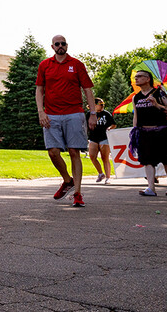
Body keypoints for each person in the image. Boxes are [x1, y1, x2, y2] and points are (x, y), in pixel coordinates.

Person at [35, 35, 97, 208]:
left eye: (63, 43)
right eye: (57, 44)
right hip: (51, 115)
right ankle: (67, 180)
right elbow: (39, 90)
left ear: (67, 45)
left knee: (74, 152)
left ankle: (77, 193)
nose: (60, 46)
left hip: (74, 114)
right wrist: (41, 112)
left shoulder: (76, 64)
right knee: (53, 152)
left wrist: (93, 113)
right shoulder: (45, 65)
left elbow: (88, 90)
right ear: (52, 47)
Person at [130, 69, 167, 197]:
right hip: (144, 132)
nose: (137, 79)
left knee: (166, 159)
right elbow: (136, 115)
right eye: (136, 77)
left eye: (140, 76)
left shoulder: (159, 93)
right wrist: (135, 130)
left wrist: (157, 105)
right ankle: (151, 188)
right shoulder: (136, 97)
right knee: (147, 160)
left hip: (161, 131)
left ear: (148, 79)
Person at [87, 99, 115, 184]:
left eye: (103, 104)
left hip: (104, 137)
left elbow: (113, 124)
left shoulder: (106, 114)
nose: (102, 106)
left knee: (105, 158)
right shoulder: (89, 114)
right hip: (93, 137)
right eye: (100, 104)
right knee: (92, 156)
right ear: (94, 105)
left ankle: (108, 177)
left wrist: (110, 128)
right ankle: (100, 173)